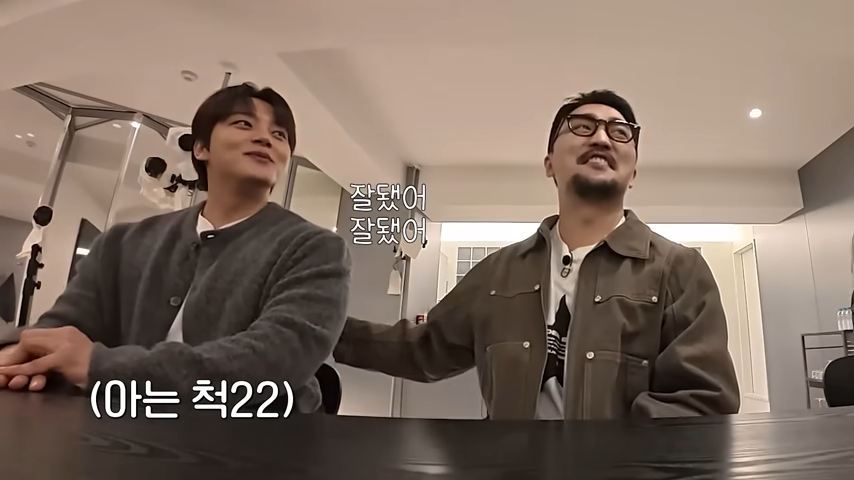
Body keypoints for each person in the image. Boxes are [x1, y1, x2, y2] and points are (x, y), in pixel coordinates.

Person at [334, 90, 739, 420]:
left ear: (633, 174)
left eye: (619, 132)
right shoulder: (498, 272)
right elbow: (423, 348)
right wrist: (323, 327)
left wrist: (608, 459)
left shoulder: (679, 269)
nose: (601, 138)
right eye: (582, 126)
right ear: (549, 164)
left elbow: (702, 402)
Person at [0, 83, 352, 414]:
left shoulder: (315, 248)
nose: (265, 138)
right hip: (119, 429)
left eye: (279, 135)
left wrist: (100, 366)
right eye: (244, 124)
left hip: (258, 439)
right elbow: (65, 325)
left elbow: (276, 360)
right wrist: (23, 357)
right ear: (201, 148)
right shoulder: (123, 241)